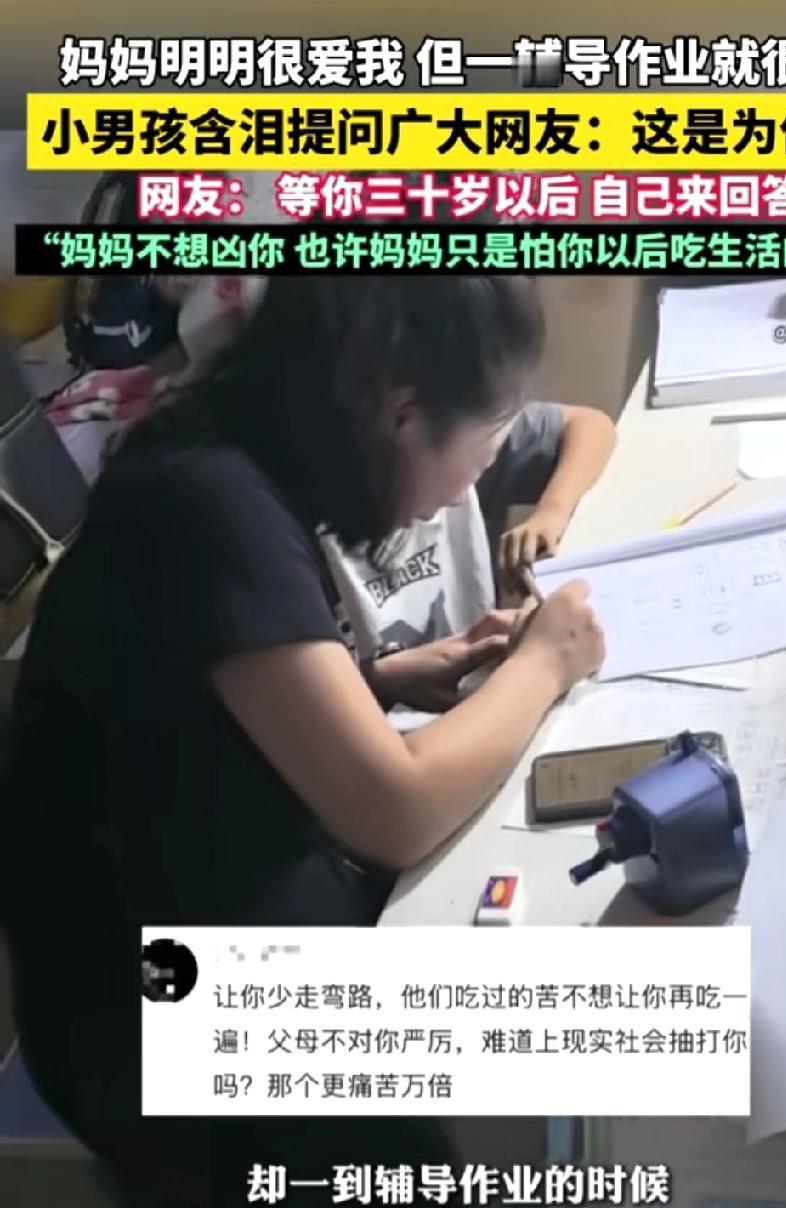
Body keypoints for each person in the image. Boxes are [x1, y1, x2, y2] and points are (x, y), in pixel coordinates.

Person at [4, 276, 605, 1206]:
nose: (469, 487)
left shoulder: (238, 452)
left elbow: (190, 697)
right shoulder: (208, 503)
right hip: (157, 1026)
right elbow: (395, 811)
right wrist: (545, 662)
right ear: (403, 415)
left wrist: (371, 682)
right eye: (482, 451)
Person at [320, 400, 616, 701]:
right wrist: (540, 665)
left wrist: (552, 511)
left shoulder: (460, 431)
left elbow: (592, 426)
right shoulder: (300, 537)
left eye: (483, 466)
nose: (457, 500)